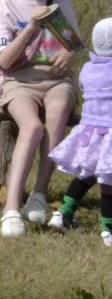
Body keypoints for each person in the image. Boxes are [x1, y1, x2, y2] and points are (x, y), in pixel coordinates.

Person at [0, 0, 82, 238]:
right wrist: (31, 27)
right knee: (32, 128)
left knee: (57, 116)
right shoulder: (5, 5)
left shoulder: (61, 3)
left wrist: (69, 53)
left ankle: (39, 194)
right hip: (18, 81)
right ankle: (11, 208)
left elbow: (72, 45)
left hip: (57, 81)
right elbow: (3, 61)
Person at [49, 17, 112, 246]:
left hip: (90, 133)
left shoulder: (87, 69)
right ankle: (108, 230)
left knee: (86, 175)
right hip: (110, 134)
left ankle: (63, 213)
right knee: (108, 183)